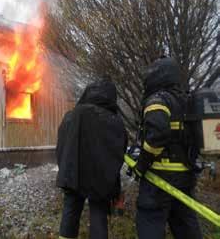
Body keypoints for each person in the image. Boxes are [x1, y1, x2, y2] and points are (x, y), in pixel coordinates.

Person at [134, 57, 203, 239]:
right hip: (185, 178)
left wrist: (141, 165)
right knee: (186, 228)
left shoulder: (158, 100)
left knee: (150, 224)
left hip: (158, 180)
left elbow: (157, 136)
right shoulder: (188, 101)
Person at [56, 80, 128, 239]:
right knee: (99, 215)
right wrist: (113, 183)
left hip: (73, 175)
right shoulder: (115, 121)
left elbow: (61, 146)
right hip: (101, 180)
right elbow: (119, 154)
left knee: (70, 213)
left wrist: (66, 170)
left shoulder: (72, 115)